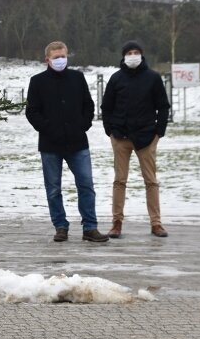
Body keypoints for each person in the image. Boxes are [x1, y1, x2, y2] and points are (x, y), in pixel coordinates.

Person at [25, 41, 109, 243]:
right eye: (56, 57)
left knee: (86, 185)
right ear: (47, 60)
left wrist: (81, 126)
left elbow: (88, 106)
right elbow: (32, 112)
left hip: (77, 142)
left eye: (63, 56)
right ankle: (60, 226)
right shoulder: (37, 81)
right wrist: (49, 128)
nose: (60, 60)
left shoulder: (77, 78)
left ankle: (90, 227)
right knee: (53, 188)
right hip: (50, 144)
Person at [101, 40, 171, 238]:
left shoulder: (153, 78)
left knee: (151, 181)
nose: (133, 55)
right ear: (124, 56)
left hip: (146, 137)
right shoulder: (116, 79)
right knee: (119, 181)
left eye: (136, 52)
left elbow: (163, 106)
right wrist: (110, 130)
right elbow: (106, 107)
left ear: (142, 55)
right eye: (129, 52)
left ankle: (156, 223)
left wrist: (159, 132)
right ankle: (116, 223)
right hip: (120, 137)